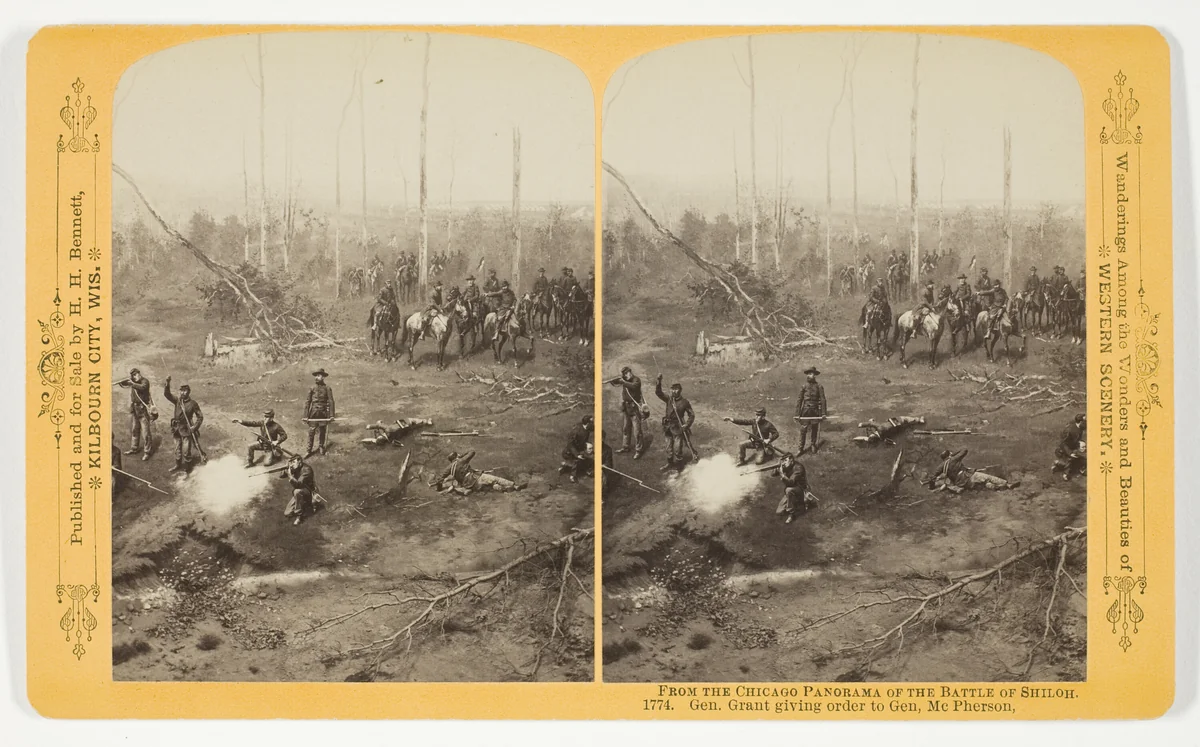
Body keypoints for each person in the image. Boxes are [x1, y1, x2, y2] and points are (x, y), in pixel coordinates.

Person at [435, 450, 525, 494]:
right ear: (456, 456)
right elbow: (472, 451)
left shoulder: (448, 468)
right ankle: (514, 486)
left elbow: (440, 479)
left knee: (491, 487)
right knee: (496, 479)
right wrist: (462, 455)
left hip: (468, 485)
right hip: (475, 478)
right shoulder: (461, 460)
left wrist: (439, 489)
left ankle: (506, 490)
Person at [163, 377, 203, 473]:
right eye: (181, 391)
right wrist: (167, 383)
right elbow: (167, 394)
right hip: (176, 428)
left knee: (186, 451)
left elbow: (200, 417)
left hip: (186, 429)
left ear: (188, 392)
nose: (182, 393)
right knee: (177, 449)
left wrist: (194, 427)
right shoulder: (177, 401)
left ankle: (188, 469)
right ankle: (177, 465)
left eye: (185, 391)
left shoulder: (193, 404)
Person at [929, 449, 1018, 492]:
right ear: (949, 455)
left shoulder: (941, 466)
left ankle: (996, 488)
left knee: (982, 485)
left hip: (960, 483)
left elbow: (933, 477)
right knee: (987, 477)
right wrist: (954, 454)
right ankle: (1007, 484)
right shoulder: (953, 459)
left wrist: (932, 487)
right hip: (967, 476)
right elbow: (964, 450)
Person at [655, 375, 695, 468]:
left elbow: (691, 415)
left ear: (680, 390)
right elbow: (658, 393)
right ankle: (669, 463)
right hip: (667, 426)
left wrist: (687, 425)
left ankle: (679, 467)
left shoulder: (685, 402)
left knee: (677, 448)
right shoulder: (669, 399)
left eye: (676, 389)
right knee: (668, 447)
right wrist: (659, 381)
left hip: (678, 427)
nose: (674, 391)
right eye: (672, 389)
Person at [608, 366, 647, 458]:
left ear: (630, 372)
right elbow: (617, 383)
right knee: (626, 429)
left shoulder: (636, 380)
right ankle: (625, 447)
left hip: (635, 409)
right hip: (626, 408)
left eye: (627, 373)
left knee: (637, 432)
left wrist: (623, 382)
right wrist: (612, 381)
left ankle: (638, 450)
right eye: (624, 374)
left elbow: (633, 386)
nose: (626, 375)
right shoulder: (624, 380)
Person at [118, 367, 155, 461]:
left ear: (139, 373)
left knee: (146, 432)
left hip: (143, 410)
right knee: (135, 430)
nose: (135, 377)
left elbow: (142, 387)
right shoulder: (133, 382)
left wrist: (132, 383)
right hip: (135, 410)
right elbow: (126, 384)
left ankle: (147, 452)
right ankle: (134, 448)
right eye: (133, 376)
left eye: (136, 374)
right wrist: (121, 382)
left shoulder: (145, 381)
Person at [775, 453, 816, 524]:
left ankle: (792, 514)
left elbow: (791, 482)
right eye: (783, 461)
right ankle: (801, 503)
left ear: (791, 460)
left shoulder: (798, 468)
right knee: (779, 511)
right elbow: (772, 474)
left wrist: (782, 474)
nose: (784, 463)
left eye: (785, 460)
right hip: (792, 491)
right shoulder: (787, 465)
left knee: (788, 490)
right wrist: (777, 467)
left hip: (801, 490)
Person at [795, 367, 827, 454]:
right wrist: (797, 414)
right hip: (805, 411)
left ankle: (813, 444)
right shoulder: (804, 386)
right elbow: (799, 400)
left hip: (815, 411)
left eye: (811, 374)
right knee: (803, 429)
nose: (809, 375)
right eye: (808, 374)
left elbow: (823, 400)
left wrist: (823, 413)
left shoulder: (819, 386)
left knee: (814, 428)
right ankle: (800, 448)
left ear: (815, 375)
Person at [304, 369, 335, 456]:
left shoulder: (327, 388)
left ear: (323, 377)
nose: (316, 378)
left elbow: (331, 401)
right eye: (316, 376)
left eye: (318, 376)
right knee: (311, 431)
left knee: (322, 430)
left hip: (323, 413)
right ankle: (308, 450)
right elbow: (308, 401)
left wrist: (331, 415)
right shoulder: (312, 388)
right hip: (313, 413)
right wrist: (306, 415)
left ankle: (321, 446)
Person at [281, 454, 318, 526]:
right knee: (287, 513)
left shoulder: (307, 470)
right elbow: (281, 475)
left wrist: (290, 475)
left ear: (299, 461)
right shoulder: (295, 467)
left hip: (309, 492)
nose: (292, 465)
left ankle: (299, 516)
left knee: (297, 491)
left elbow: (298, 485)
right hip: (300, 492)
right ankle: (306, 506)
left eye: (293, 462)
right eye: (291, 463)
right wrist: (286, 467)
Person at [559, 415, 594, 483]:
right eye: (591, 422)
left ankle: (588, 470)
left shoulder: (587, 429)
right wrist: (577, 454)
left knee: (591, 455)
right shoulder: (576, 431)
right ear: (587, 423)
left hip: (579, 449)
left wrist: (587, 445)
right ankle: (572, 476)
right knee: (576, 460)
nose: (593, 424)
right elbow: (570, 445)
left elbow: (583, 441)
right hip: (569, 452)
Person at [1052, 413, 1087, 480]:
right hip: (1063, 451)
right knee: (1069, 462)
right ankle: (1059, 466)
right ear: (1080, 421)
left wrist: (1082, 444)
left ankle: (1080, 469)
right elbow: (1062, 443)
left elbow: (1076, 440)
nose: (1086, 422)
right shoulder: (1069, 430)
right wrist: (1070, 453)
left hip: (1072, 449)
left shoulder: (1080, 428)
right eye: (1085, 420)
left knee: (1083, 459)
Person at [852, 416, 926, 446]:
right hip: (897, 422)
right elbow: (871, 423)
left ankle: (915, 424)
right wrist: (862, 424)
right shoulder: (879, 427)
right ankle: (919, 420)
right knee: (906, 419)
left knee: (907, 424)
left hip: (898, 428)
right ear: (873, 435)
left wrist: (893, 443)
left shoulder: (882, 438)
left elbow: (891, 442)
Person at [362, 418, 433, 446]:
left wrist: (401, 445)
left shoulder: (390, 440)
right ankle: (427, 421)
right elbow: (380, 425)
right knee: (415, 422)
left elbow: (398, 443)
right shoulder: (387, 429)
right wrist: (370, 426)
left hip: (405, 429)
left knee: (415, 427)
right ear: (382, 436)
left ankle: (425, 423)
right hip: (404, 423)